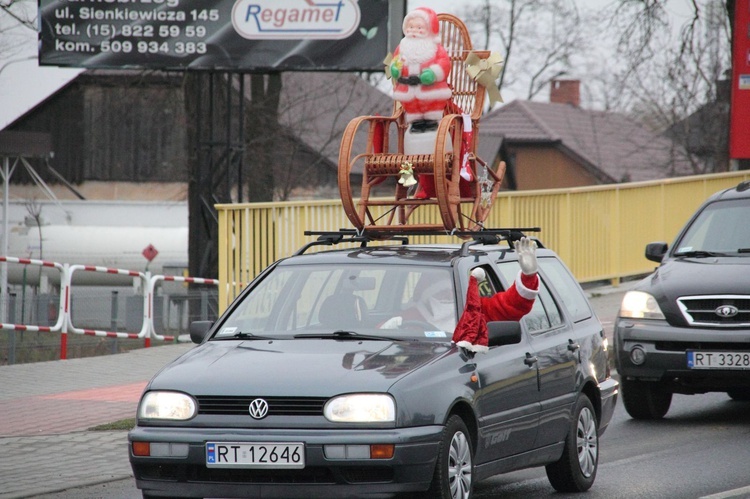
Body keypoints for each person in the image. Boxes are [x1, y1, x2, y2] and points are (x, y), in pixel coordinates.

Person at [389, 7, 452, 131]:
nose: (414, 31)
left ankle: (433, 123)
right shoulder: (402, 47)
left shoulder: (435, 48)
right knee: (412, 109)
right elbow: (395, 61)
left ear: (429, 29)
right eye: (410, 27)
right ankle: (415, 124)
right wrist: (395, 69)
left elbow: (444, 63)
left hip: (432, 91)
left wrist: (433, 73)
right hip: (407, 90)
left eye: (419, 28)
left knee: (432, 107)